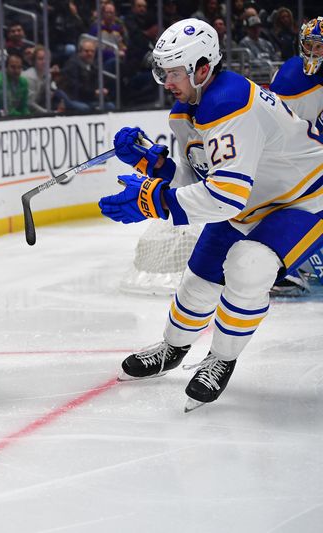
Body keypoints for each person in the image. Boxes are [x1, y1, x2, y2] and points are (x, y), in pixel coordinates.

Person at [99, 18, 323, 411]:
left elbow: (225, 197)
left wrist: (154, 201)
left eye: (172, 72)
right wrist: (155, 167)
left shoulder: (230, 102)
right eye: (161, 71)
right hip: (252, 199)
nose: (166, 81)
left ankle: (221, 358)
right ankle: (172, 348)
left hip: (305, 199)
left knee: (248, 266)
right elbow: (202, 174)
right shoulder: (188, 108)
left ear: (203, 68)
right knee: (199, 280)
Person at [267, 16, 323, 296]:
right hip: (290, 158)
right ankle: (280, 268)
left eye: (320, 47)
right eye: (309, 45)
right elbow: (277, 127)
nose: (313, 53)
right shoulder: (291, 77)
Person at [0, 51, 29, 116]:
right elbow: (7, 108)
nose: (16, 70)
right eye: (13, 67)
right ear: (6, 67)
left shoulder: (24, 83)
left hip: (16, 117)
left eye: (19, 67)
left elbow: (24, 106)